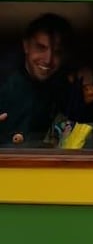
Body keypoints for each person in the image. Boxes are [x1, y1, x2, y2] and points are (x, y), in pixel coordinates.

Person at [0, 13, 87, 148]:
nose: (48, 60)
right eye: (41, 48)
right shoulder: (5, 81)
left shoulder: (66, 90)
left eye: (57, 52)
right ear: (26, 46)